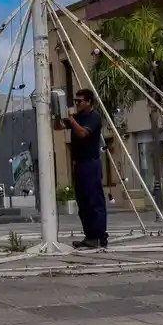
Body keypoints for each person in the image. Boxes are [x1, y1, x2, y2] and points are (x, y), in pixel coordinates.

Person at [56, 89, 107, 249]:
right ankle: (89, 236)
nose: (77, 104)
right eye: (75, 101)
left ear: (89, 102)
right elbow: (57, 127)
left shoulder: (94, 117)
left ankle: (99, 237)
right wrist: (58, 114)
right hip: (79, 163)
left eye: (80, 101)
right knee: (83, 202)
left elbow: (83, 133)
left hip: (91, 163)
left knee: (94, 201)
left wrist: (71, 120)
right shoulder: (78, 117)